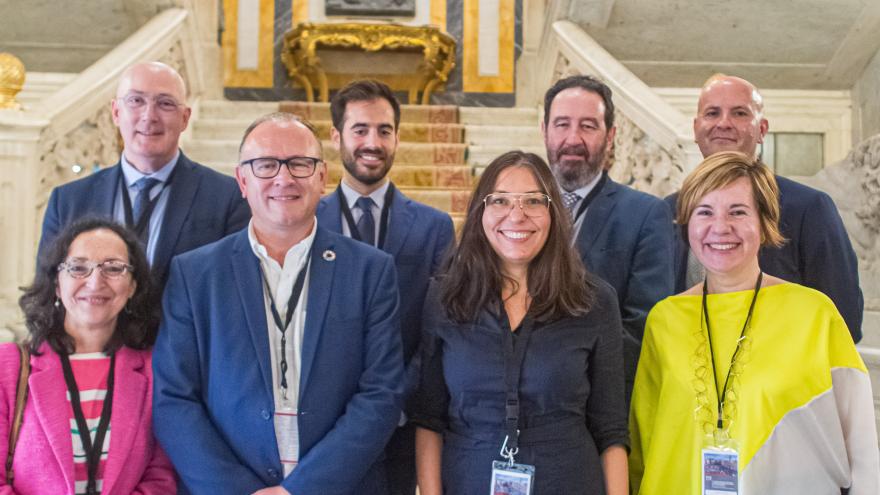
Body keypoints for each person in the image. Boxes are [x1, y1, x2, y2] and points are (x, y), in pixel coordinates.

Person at [152, 112, 404, 495]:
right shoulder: (195, 274)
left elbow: (381, 393)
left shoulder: (371, 271)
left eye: (300, 164)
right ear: (242, 180)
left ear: (322, 177)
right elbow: (174, 398)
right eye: (266, 165)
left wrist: (300, 490)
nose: (283, 179)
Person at [630, 151, 879, 494]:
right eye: (705, 212)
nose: (720, 227)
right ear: (689, 225)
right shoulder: (664, 319)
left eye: (738, 211)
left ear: (764, 224)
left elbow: (863, 449)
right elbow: (643, 443)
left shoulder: (815, 315)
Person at [412, 151, 629, 494]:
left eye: (533, 201)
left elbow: (611, 430)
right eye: (500, 200)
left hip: (569, 480)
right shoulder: (444, 298)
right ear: (480, 212)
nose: (517, 215)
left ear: (553, 212)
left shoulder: (594, 301)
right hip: (468, 480)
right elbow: (428, 419)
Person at [317, 80, 455, 495]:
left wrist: (392, 397)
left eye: (384, 130)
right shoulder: (304, 223)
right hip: (321, 422)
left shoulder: (434, 227)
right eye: (360, 130)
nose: (372, 142)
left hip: (400, 423)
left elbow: (437, 328)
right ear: (336, 136)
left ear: (397, 136)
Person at [668, 73, 863, 341]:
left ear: (762, 129)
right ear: (696, 128)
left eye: (739, 113)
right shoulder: (665, 211)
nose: (724, 123)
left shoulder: (810, 208)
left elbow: (843, 319)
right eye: (712, 113)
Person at [0, 218, 176, 494]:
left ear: (132, 287)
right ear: (57, 283)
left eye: (114, 268)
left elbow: (161, 477)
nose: (95, 282)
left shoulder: (157, 370)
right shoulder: (8, 367)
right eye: (78, 268)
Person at [39, 61, 250, 287]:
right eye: (136, 101)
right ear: (116, 112)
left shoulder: (227, 198)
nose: (149, 116)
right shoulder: (68, 201)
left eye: (165, 103)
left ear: (185, 118)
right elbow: (45, 294)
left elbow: (232, 292)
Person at [541, 75, 675, 404]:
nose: (573, 138)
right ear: (545, 130)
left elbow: (644, 322)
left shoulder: (645, 214)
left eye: (588, 126)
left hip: (598, 404)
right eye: (562, 124)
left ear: (610, 136)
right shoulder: (511, 210)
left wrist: (565, 372)